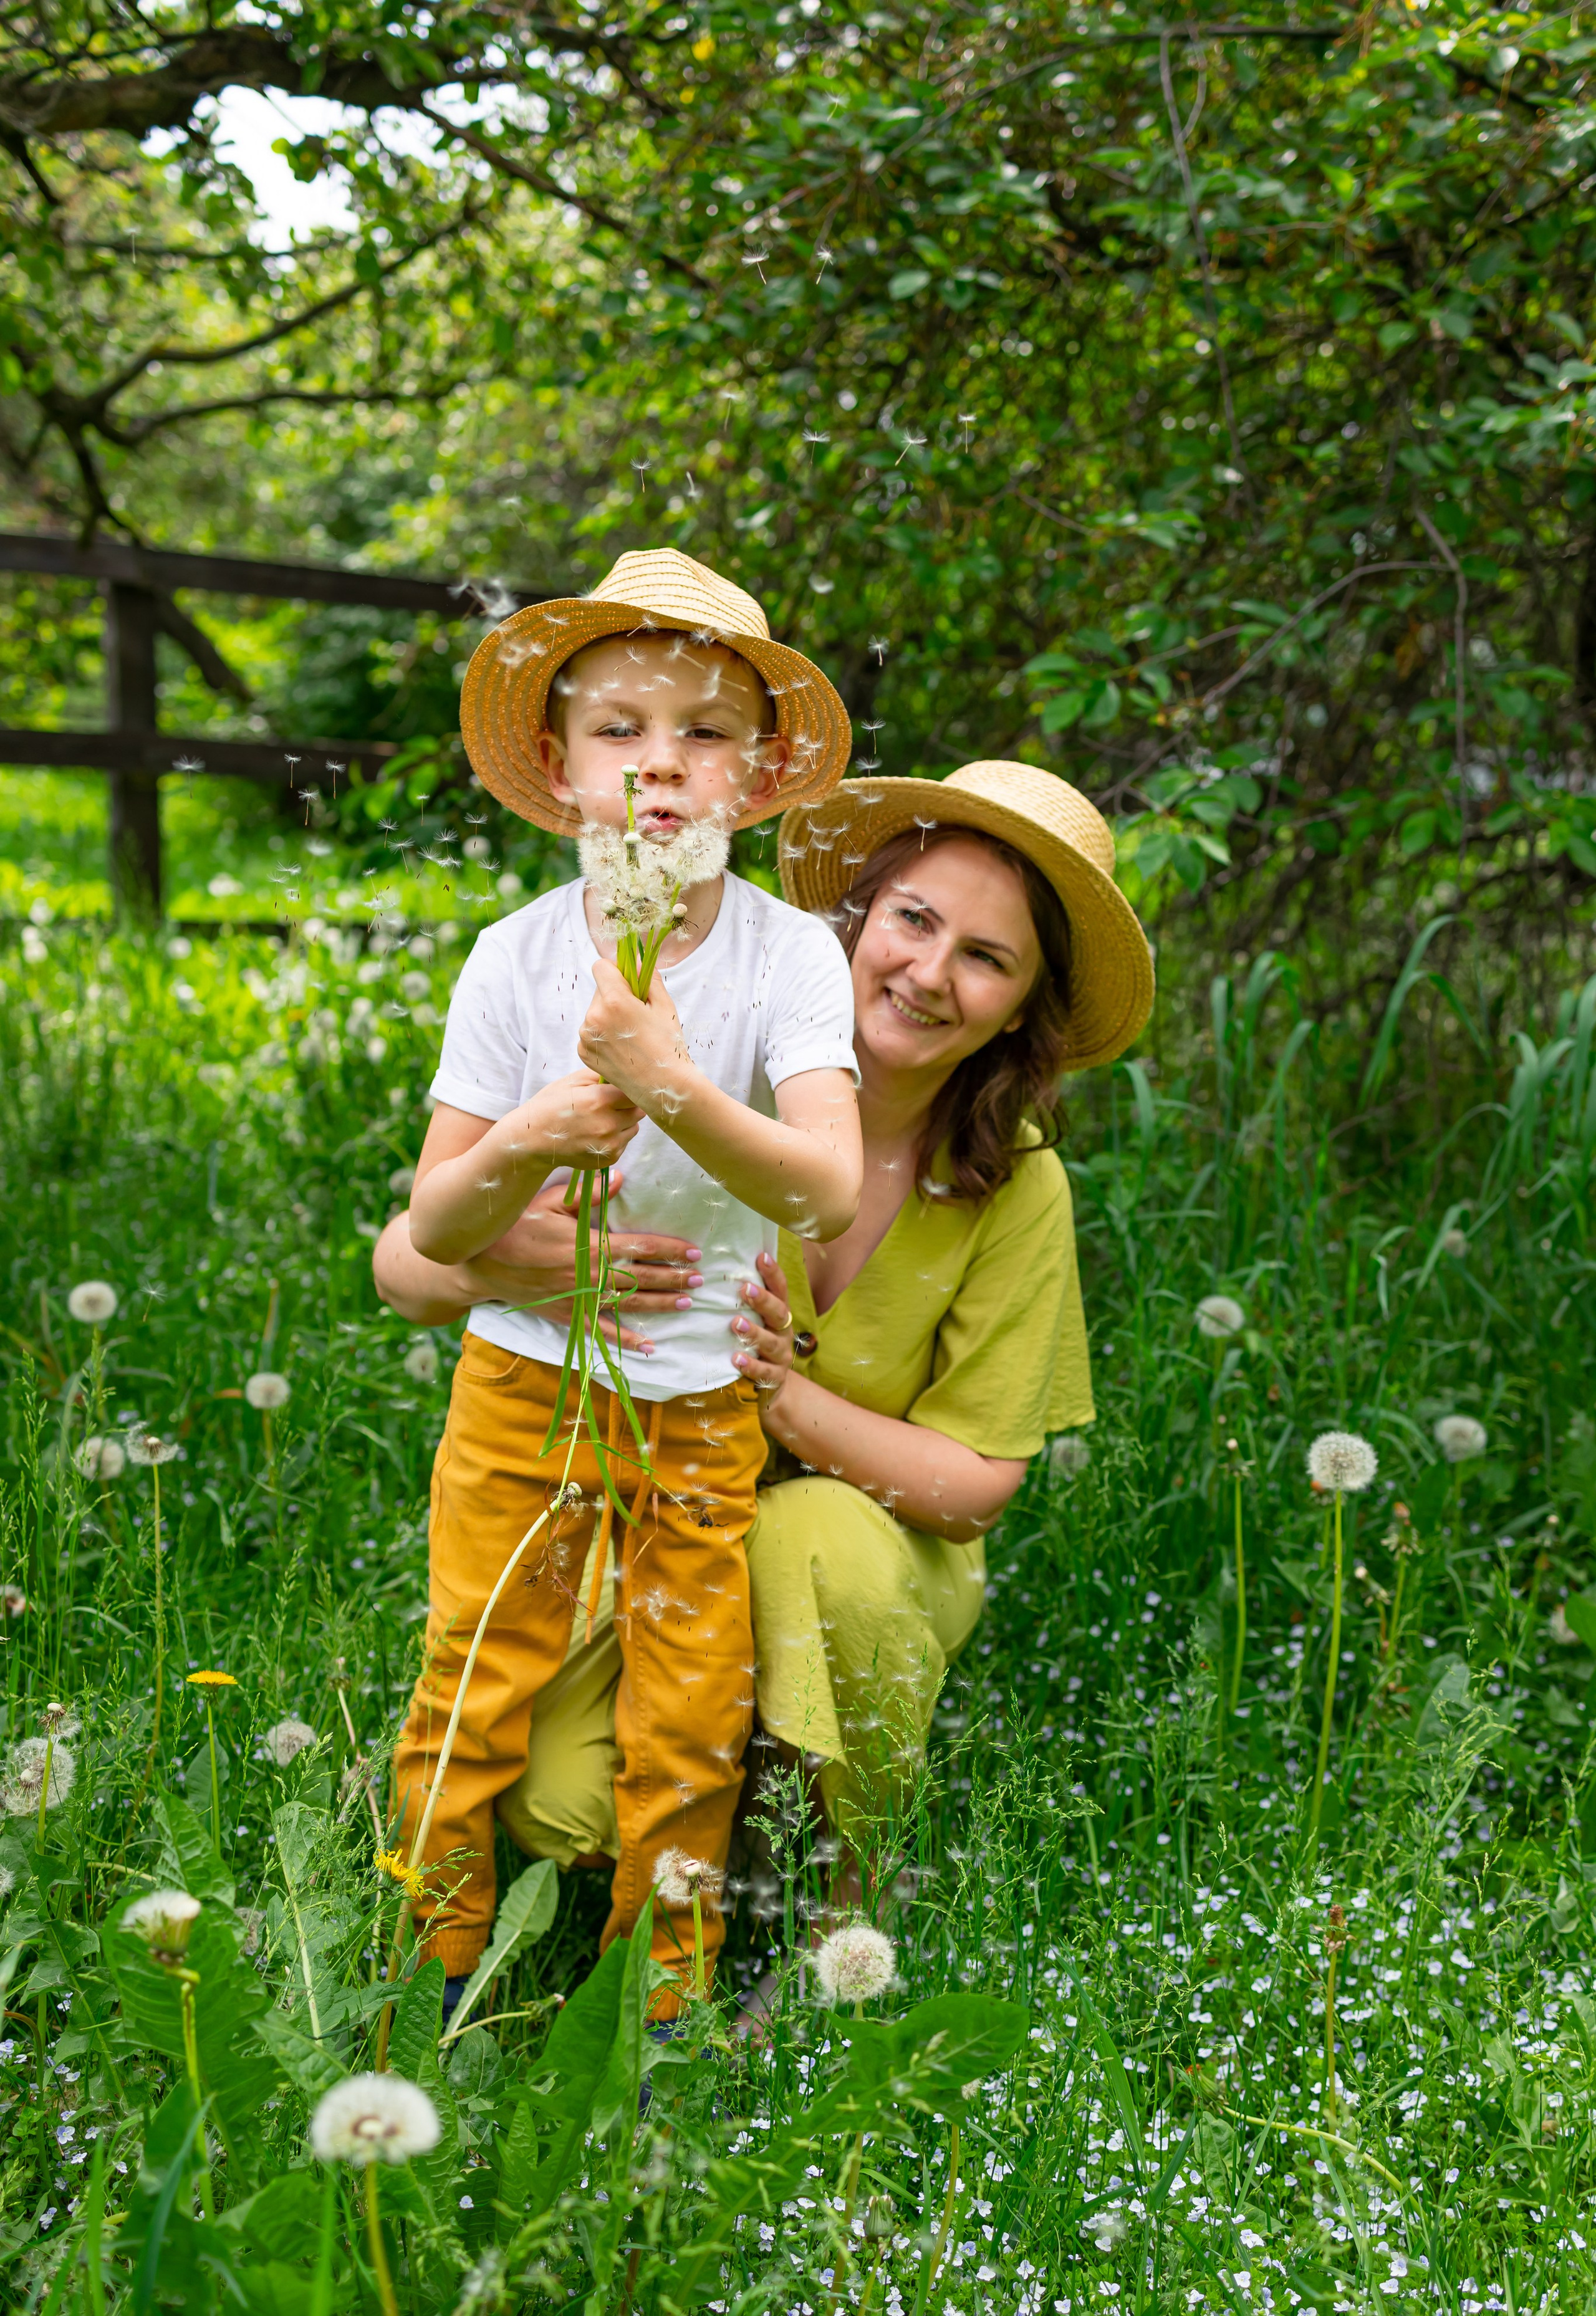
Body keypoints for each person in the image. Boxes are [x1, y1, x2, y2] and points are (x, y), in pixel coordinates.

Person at [377, 757, 1153, 1924]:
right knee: (556, 1805)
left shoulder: (1017, 1183)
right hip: (658, 1509)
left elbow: (977, 1487)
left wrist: (788, 1405)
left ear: (1026, 1006)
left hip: (866, 1560)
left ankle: (845, 1899)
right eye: (913, 920)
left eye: (988, 959)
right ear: (857, 918)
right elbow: (407, 1268)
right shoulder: (706, 1067)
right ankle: (724, 1807)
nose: (929, 974)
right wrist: (512, 1265)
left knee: (810, 1536)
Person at [390, 546, 862, 2015]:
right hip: (524, 1377)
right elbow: (438, 1221)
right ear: (559, 763)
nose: (661, 766)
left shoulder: (791, 959)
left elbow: (823, 1185)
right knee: (473, 1675)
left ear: (761, 770)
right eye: (621, 729)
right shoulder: (515, 960)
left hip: (704, 1399)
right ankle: (424, 1973)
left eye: (704, 732)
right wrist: (535, 1131)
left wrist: (670, 1089)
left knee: (686, 1712)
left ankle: (655, 2009)